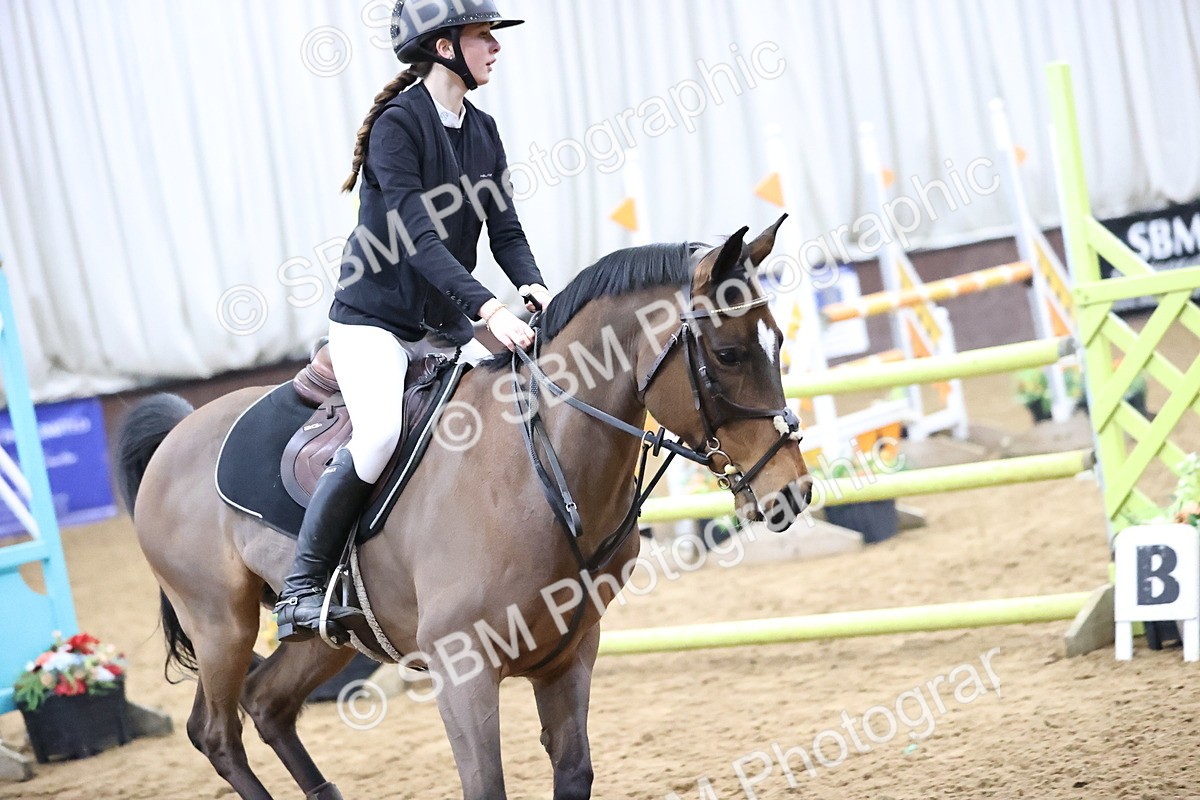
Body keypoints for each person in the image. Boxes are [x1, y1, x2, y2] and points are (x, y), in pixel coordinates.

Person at [274, 0, 552, 642]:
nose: (496, 47)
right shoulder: (397, 128)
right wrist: (487, 309)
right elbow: (418, 240)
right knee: (376, 437)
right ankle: (304, 585)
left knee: (514, 399)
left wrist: (532, 284)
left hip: (443, 320)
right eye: (484, 36)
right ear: (446, 47)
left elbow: (505, 230)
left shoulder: (483, 132)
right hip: (374, 321)